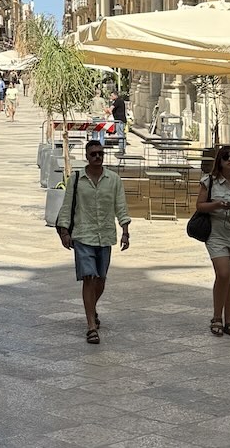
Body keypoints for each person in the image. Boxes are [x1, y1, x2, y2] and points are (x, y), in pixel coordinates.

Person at [55, 139, 130, 345]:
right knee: (89, 277)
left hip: (105, 235)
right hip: (82, 234)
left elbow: (120, 206)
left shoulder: (113, 179)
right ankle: (91, 326)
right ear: (87, 157)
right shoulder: (77, 179)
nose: (97, 157)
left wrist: (125, 230)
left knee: (101, 280)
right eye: (93, 154)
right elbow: (67, 205)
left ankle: (91, 308)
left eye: (100, 154)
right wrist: (64, 230)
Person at [193, 145, 230, 337]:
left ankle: (229, 320)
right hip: (216, 232)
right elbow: (200, 206)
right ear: (219, 161)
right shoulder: (209, 182)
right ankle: (216, 317)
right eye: (226, 157)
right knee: (224, 273)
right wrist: (218, 204)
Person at [107, 91, 128, 156]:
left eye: (112, 96)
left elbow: (111, 109)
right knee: (121, 134)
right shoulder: (119, 101)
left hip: (120, 120)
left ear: (116, 96)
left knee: (120, 135)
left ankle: (121, 149)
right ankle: (122, 148)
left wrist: (106, 111)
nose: (111, 97)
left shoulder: (118, 101)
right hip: (119, 120)